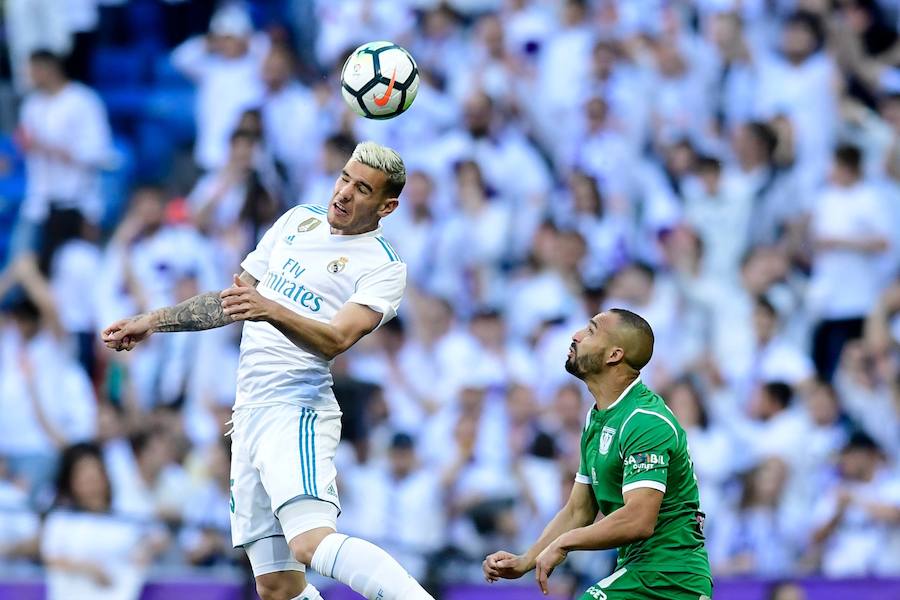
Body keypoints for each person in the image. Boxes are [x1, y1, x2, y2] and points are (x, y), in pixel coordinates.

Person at [101, 141, 434, 600]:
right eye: (343, 178)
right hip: (249, 416)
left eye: (362, 189)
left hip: (295, 410)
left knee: (310, 543)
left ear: (387, 205)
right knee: (276, 587)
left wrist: (271, 309)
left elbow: (337, 338)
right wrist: (151, 321)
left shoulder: (383, 266)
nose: (343, 193)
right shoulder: (299, 220)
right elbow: (234, 301)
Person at [482, 308, 712, 599]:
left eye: (590, 331)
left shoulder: (644, 420)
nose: (576, 336)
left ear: (614, 355)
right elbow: (580, 510)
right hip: (643, 573)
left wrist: (565, 543)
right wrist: (525, 561)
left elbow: (638, 520)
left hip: (670, 578)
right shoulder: (598, 418)